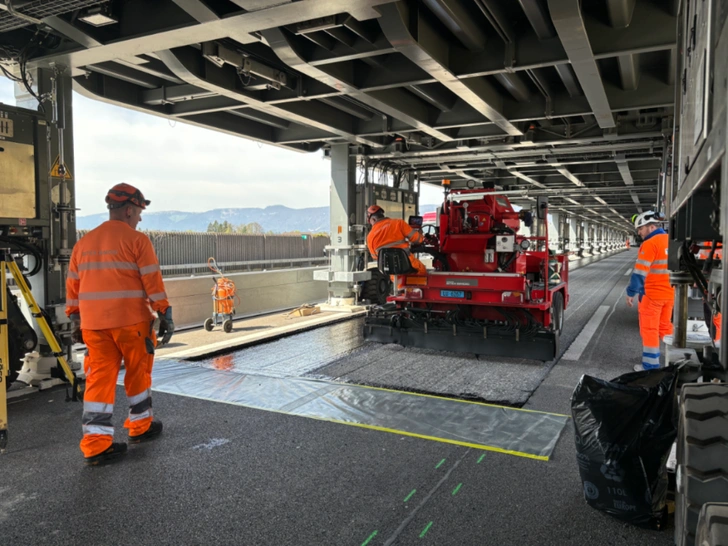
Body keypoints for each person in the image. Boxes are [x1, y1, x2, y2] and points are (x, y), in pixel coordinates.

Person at [66, 183, 175, 466]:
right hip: (131, 323)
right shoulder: (137, 241)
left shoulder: (84, 243)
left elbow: (73, 287)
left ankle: (95, 444)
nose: (139, 218)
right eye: (139, 212)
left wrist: (77, 318)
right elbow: (152, 281)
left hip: (93, 326)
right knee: (138, 373)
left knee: (99, 379)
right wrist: (165, 312)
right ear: (129, 210)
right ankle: (139, 427)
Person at [625, 211, 674, 371]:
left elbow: (639, 272)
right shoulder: (671, 241)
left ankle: (650, 367)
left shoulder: (650, 243)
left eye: (641, 228)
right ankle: (673, 362)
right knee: (665, 327)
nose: (639, 232)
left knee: (650, 330)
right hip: (670, 294)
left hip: (652, 296)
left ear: (651, 226)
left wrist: (631, 292)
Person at [366, 205, 427, 282]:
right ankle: (417, 290)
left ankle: (400, 291)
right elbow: (418, 240)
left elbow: (375, 256)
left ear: (373, 219)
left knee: (398, 283)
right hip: (409, 264)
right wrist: (420, 237)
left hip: (391, 269)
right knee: (422, 271)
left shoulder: (370, 236)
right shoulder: (398, 223)